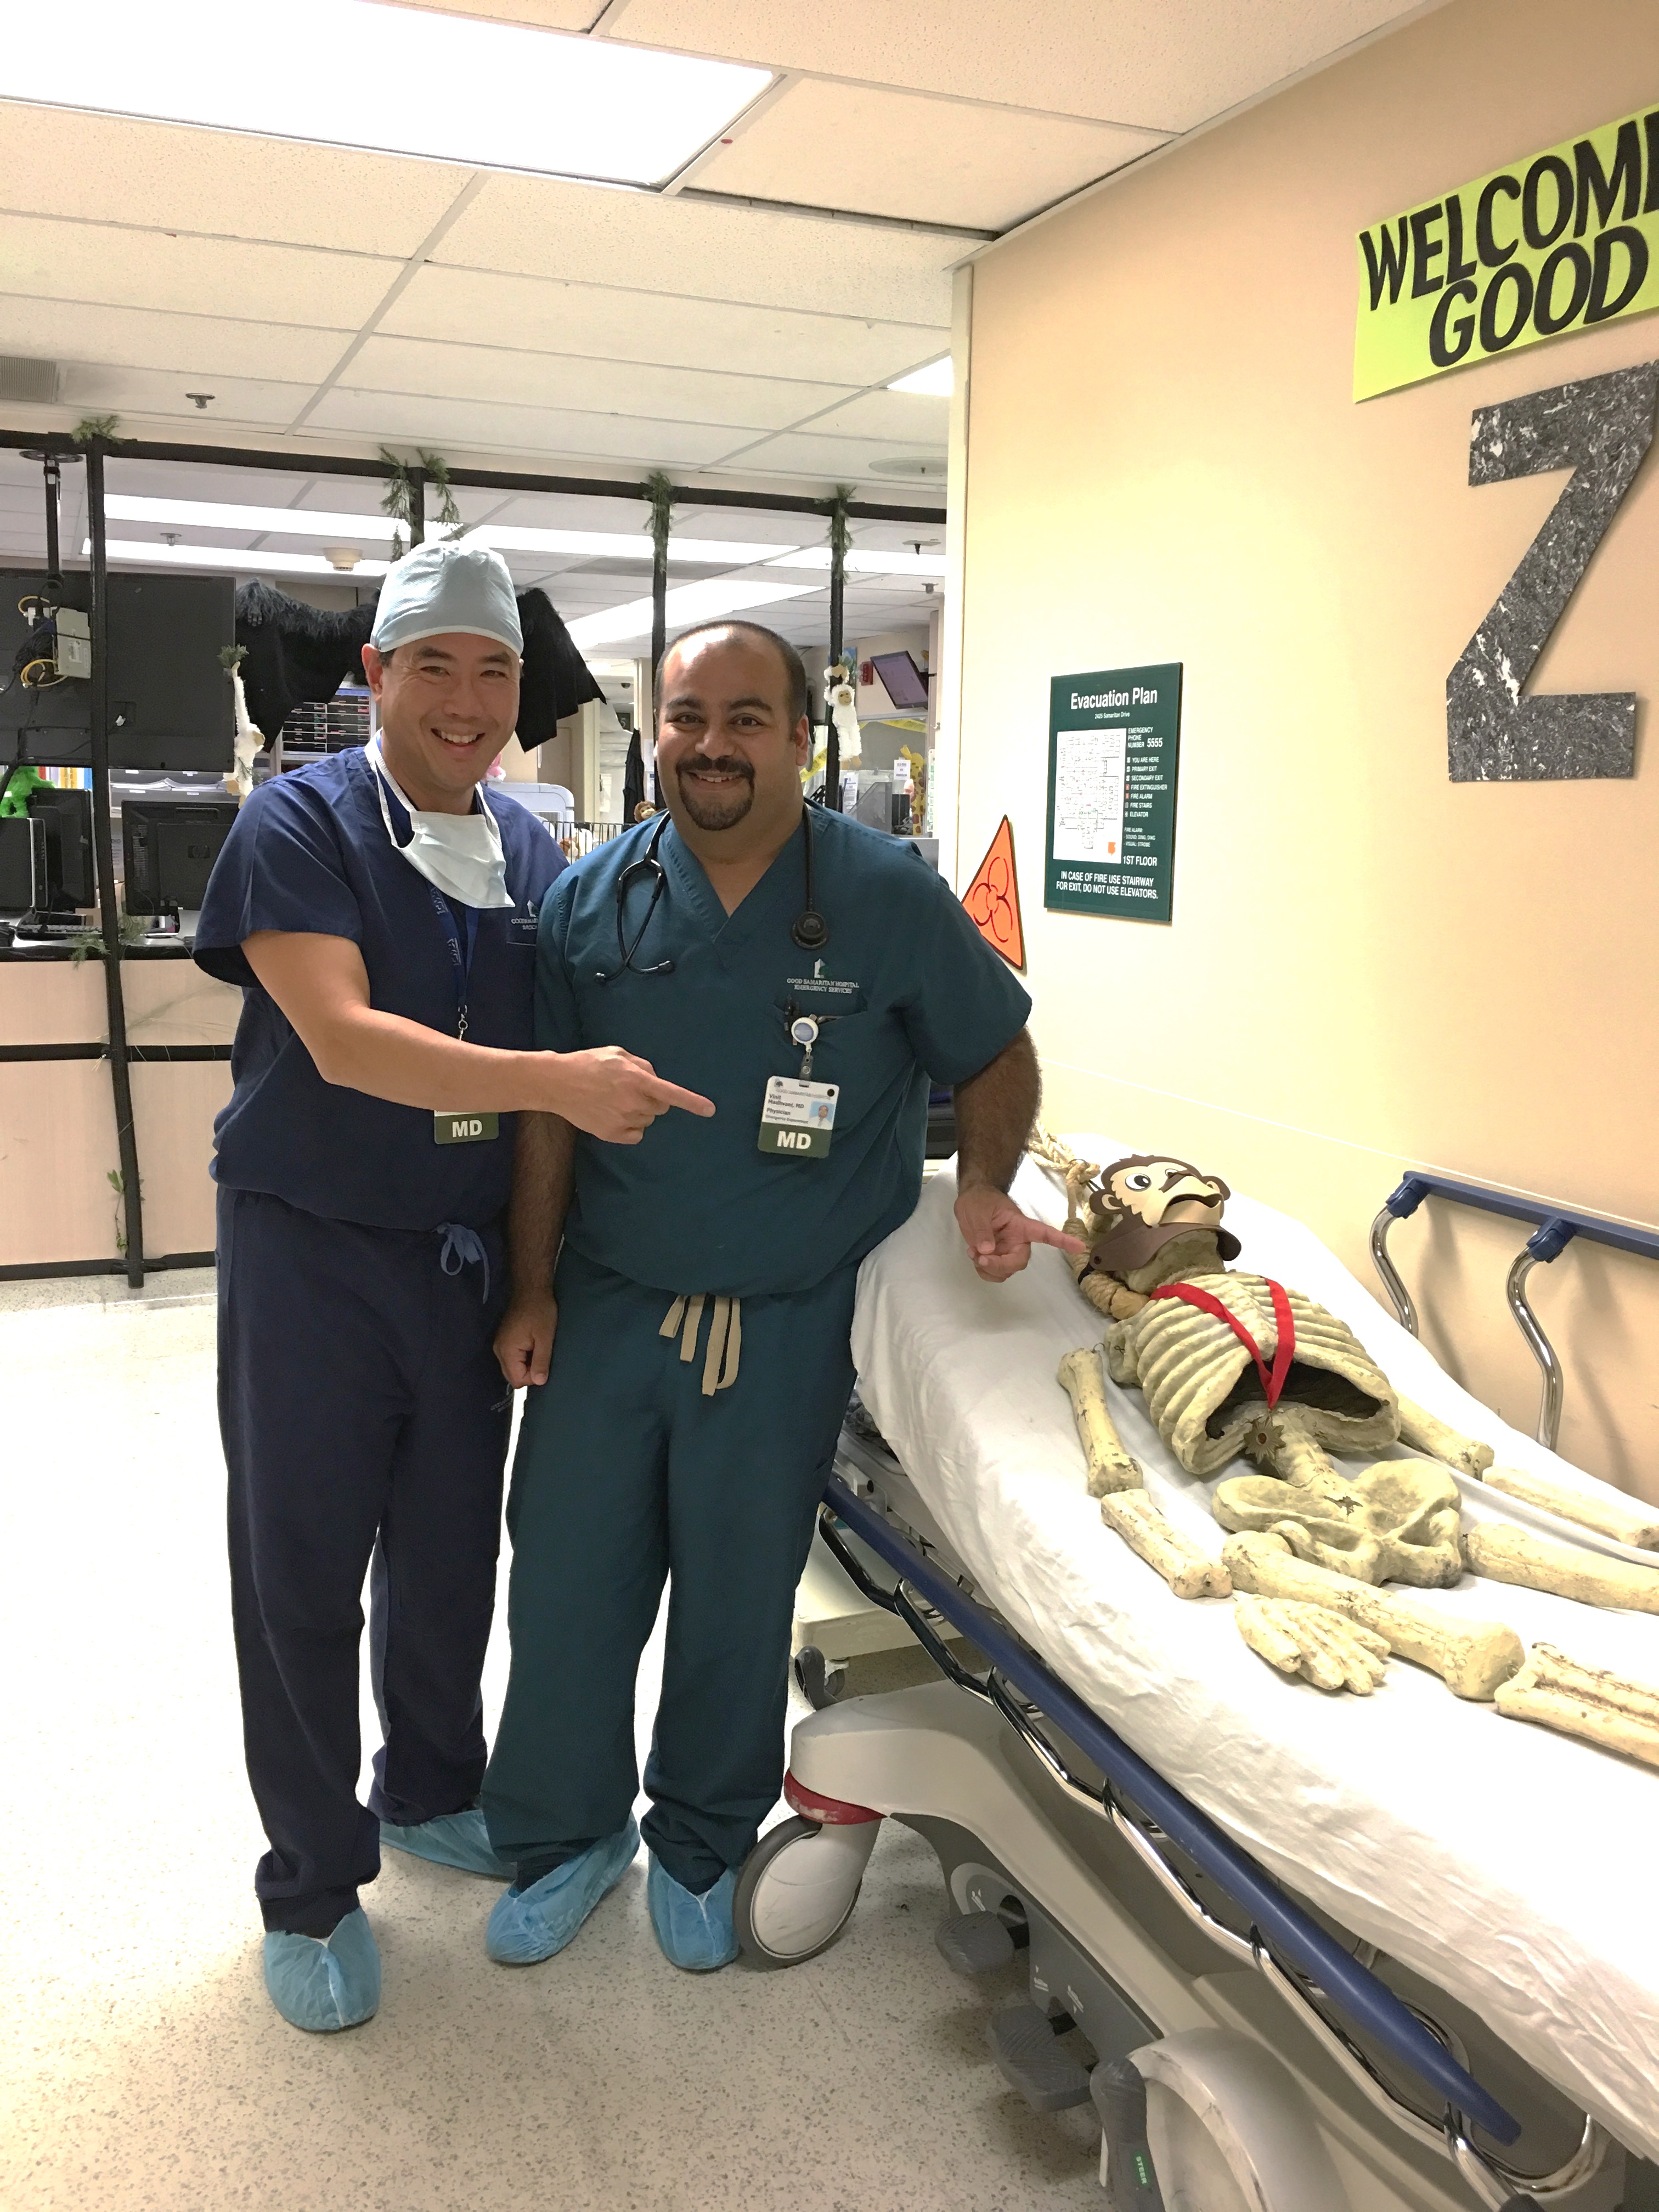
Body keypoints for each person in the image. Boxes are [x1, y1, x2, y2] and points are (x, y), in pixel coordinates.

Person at [480, 619, 1081, 1973]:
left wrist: (987, 1184)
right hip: (610, 1303)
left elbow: (996, 1051)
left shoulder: (883, 895)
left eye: (747, 718)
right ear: (657, 731)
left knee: (739, 1601)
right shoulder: (590, 903)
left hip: (786, 1318)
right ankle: (568, 1838)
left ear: (801, 738)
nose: (712, 745)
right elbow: (545, 1120)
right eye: (687, 716)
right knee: (569, 1588)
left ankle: (698, 1840)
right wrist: (530, 1289)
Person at [193, 539, 711, 2034]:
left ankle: (428, 1788)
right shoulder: (299, 826)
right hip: (311, 1256)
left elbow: (547, 1092)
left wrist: (533, 1276)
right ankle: (308, 1879)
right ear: (377, 676)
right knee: (301, 1580)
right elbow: (346, 1041)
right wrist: (559, 1073)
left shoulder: (532, 850)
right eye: (436, 666)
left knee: (444, 1563)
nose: (469, 701)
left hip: (463, 1265)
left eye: (494, 672)